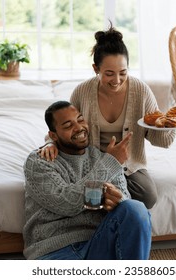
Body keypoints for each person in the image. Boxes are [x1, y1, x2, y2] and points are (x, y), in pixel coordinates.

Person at [39, 23, 176, 209]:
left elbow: (160, 140)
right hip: (89, 161)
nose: (117, 80)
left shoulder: (141, 91)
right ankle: (108, 200)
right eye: (109, 74)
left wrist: (171, 125)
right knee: (78, 192)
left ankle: (108, 196)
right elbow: (66, 125)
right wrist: (50, 143)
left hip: (127, 164)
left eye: (123, 73)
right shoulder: (82, 91)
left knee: (148, 196)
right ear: (96, 69)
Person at [23, 100, 151, 260]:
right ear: (53, 135)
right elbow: (65, 203)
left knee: (135, 208)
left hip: (99, 244)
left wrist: (113, 200)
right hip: (56, 251)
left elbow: (125, 204)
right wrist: (109, 167)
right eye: (68, 125)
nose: (78, 128)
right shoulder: (39, 161)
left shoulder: (102, 158)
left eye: (80, 120)